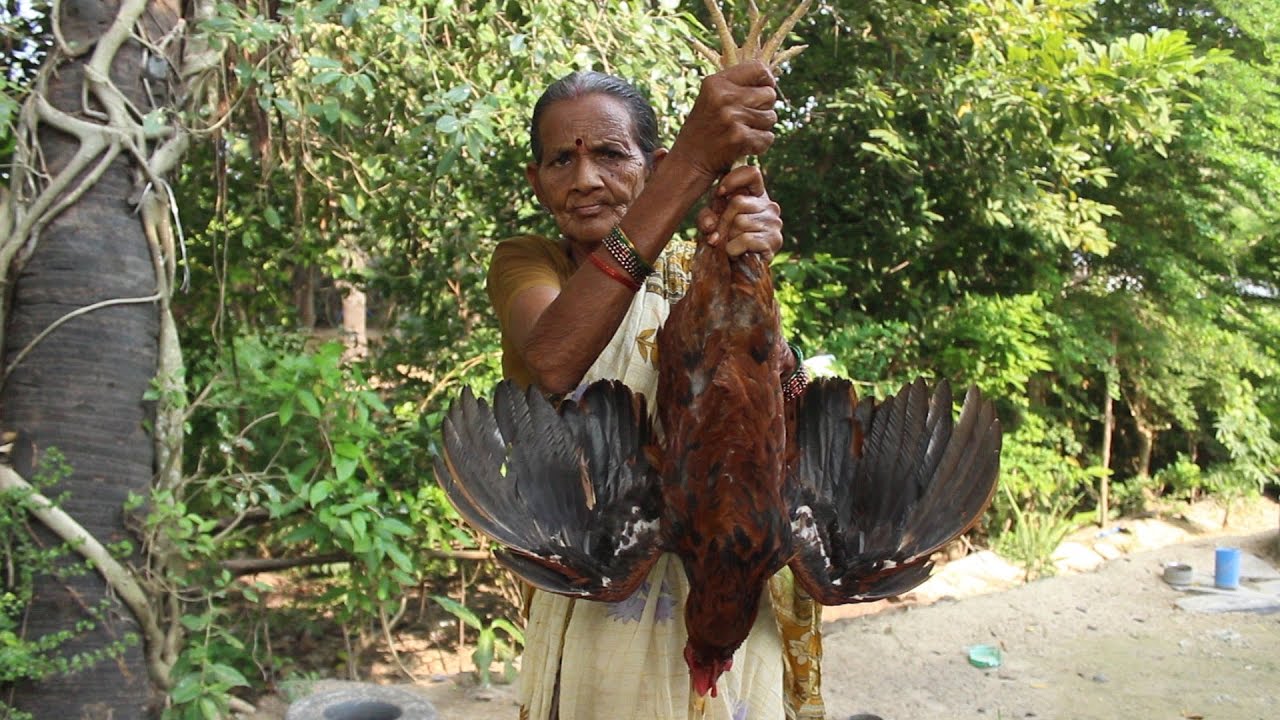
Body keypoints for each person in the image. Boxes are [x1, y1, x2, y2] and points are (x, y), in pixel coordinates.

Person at [485, 61, 823, 720]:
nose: (584, 179)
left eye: (611, 154)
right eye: (561, 161)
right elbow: (554, 359)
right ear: (536, 180)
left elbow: (788, 399)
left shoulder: (692, 275)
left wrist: (746, 273)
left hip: (721, 597)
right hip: (604, 584)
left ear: (651, 164)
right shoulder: (530, 264)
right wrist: (696, 163)